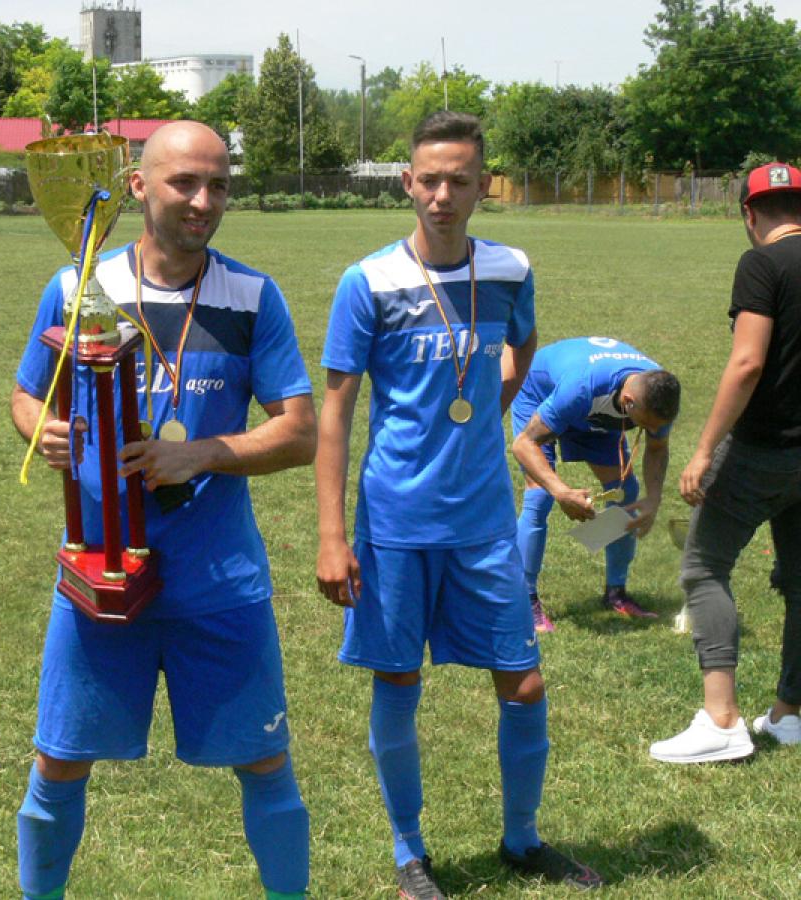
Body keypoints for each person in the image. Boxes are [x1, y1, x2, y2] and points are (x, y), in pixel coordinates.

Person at [10, 122, 317, 898]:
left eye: (219, 185)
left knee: (265, 762)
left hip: (218, 581)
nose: (204, 201)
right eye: (185, 182)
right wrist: (44, 428)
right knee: (58, 760)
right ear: (140, 186)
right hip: (100, 576)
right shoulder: (79, 287)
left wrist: (202, 453)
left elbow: (300, 432)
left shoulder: (253, 296)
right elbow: (26, 394)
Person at [315, 111, 602, 898]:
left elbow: (524, 343)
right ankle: (410, 853)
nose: (443, 195)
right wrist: (332, 536)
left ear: (482, 187)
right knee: (397, 682)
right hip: (396, 522)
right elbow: (335, 415)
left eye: (460, 181)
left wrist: (492, 401)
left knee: (524, 683)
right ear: (408, 183)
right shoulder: (368, 282)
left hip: (483, 522)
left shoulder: (510, 268)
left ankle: (522, 840)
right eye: (430, 180)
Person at [650, 162, 801, 764]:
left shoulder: (761, 264)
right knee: (800, 580)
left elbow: (747, 363)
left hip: (762, 450)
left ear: (747, 213)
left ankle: (722, 720)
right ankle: (790, 714)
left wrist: (705, 447)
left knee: (703, 566)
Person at [510, 337, 681, 631]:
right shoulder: (582, 387)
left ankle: (616, 593)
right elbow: (523, 444)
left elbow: (657, 448)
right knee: (540, 497)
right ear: (628, 402)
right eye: (645, 425)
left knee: (627, 494)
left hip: (595, 410)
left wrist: (654, 499)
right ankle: (525, 601)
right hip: (541, 393)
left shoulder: (659, 396)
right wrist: (562, 492)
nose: (651, 431)